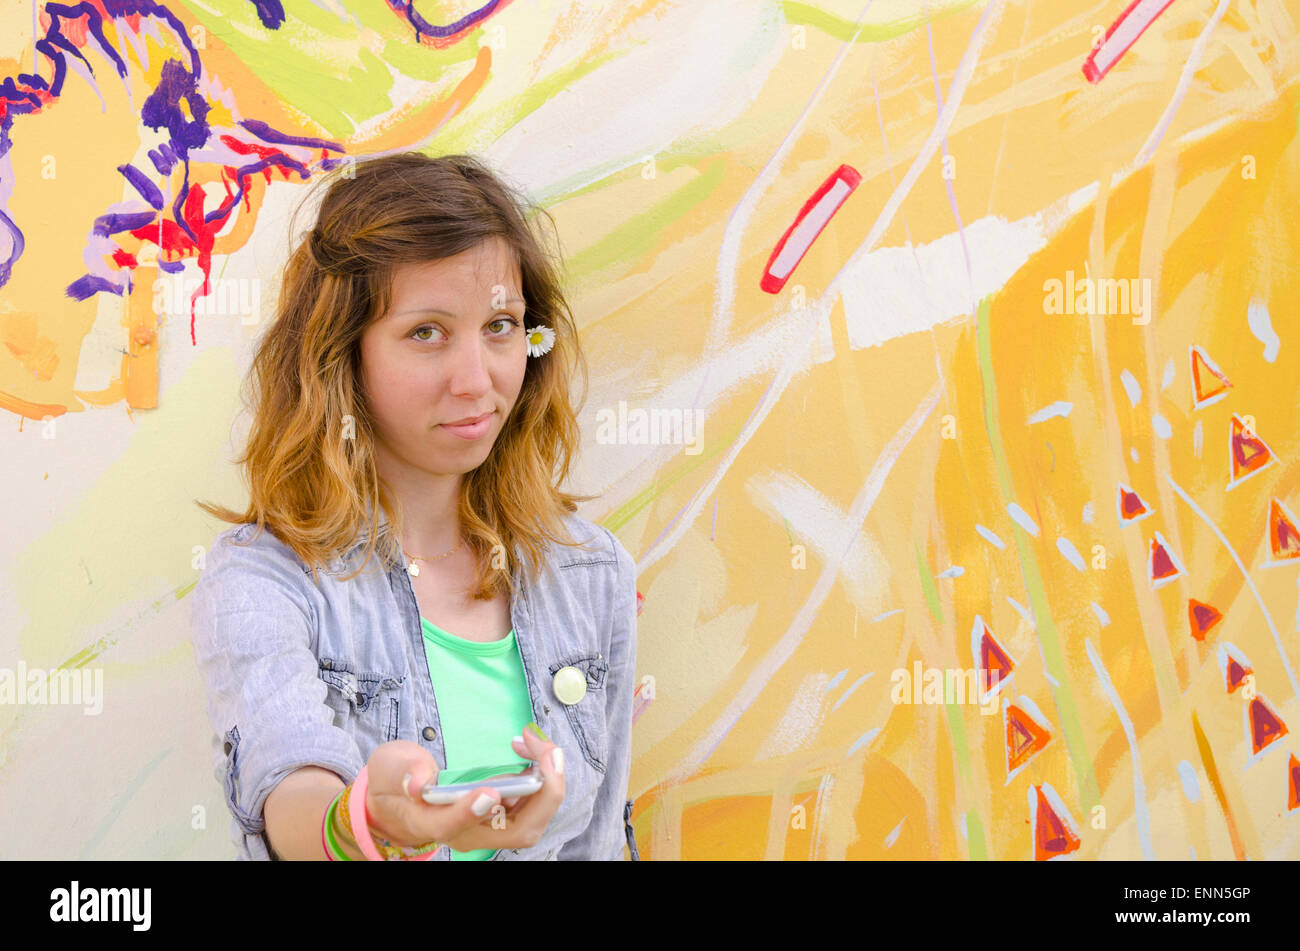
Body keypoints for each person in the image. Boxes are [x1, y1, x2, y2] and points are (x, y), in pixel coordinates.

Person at [188, 151, 639, 861]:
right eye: (426, 331)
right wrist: (366, 818)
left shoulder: (592, 571)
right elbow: (290, 789)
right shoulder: (261, 581)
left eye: (500, 326)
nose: (476, 379)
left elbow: (602, 838)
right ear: (343, 356)